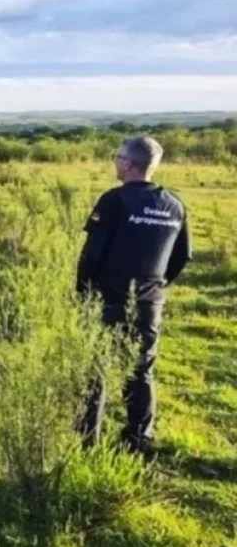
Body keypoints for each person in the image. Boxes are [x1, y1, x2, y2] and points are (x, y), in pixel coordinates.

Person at [76, 135, 192, 455]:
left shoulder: (114, 201)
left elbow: (92, 254)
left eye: (118, 157)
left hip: (108, 298)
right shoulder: (174, 205)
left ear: (128, 164)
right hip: (150, 302)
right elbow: (182, 256)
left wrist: (82, 293)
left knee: (94, 368)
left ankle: (87, 440)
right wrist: (156, 286)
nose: (116, 161)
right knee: (141, 370)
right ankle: (138, 440)